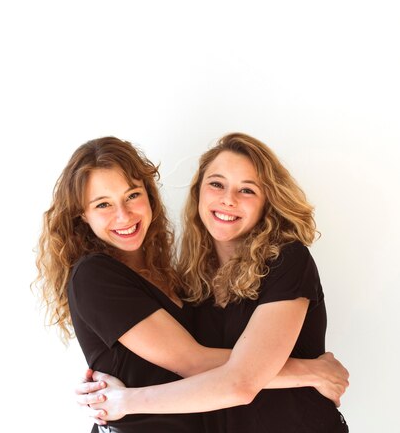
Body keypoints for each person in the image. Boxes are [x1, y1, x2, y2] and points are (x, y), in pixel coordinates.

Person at [34, 136, 348, 433]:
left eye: (247, 190)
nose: (123, 214)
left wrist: (125, 400)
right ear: (82, 214)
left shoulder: (270, 264)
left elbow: (234, 374)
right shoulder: (98, 275)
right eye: (102, 204)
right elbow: (205, 365)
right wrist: (311, 371)